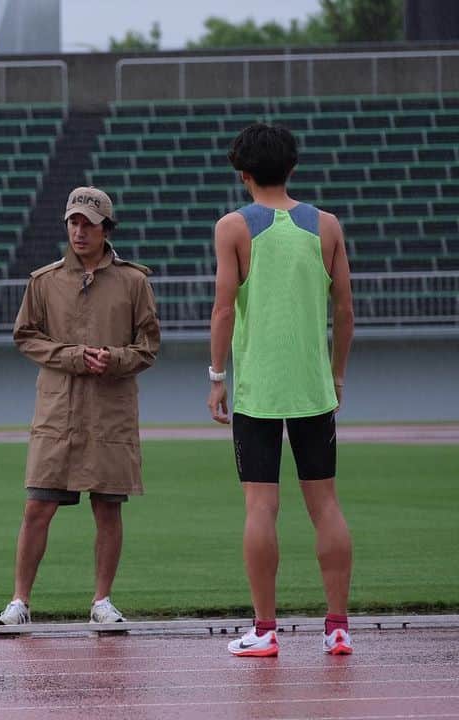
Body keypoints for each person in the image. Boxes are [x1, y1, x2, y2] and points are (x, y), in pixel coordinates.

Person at [207, 123, 355, 657]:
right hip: (313, 387)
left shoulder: (232, 228)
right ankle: (337, 627)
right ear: (292, 168)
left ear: (243, 174)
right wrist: (335, 376)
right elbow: (345, 311)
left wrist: (217, 377)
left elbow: (224, 307)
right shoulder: (328, 226)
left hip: (258, 391)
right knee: (326, 505)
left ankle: (265, 630)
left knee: (260, 507)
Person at [0, 187, 160, 627]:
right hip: (57, 411)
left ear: (107, 227)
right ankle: (19, 602)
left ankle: (102, 601)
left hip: (110, 409)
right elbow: (24, 335)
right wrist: (71, 356)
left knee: (108, 507)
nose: (79, 231)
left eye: (88, 222)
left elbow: (149, 346)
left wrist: (114, 357)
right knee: (37, 507)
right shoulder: (44, 281)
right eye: (73, 222)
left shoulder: (134, 281)